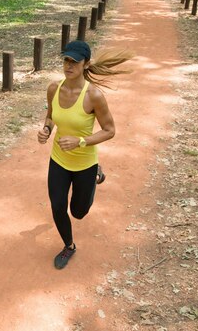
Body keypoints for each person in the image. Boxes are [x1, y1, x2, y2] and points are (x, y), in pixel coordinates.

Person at [37, 40, 133, 270]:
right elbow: (50, 116)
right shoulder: (54, 88)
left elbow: (110, 130)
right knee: (58, 206)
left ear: (85, 64)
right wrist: (47, 130)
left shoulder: (94, 96)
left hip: (84, 163)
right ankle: (69, 246)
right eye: (66, 60)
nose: (68, 65)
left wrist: (81, 141)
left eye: (74, 61)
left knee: (78, 212)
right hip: (59, 159)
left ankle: (96, 175)